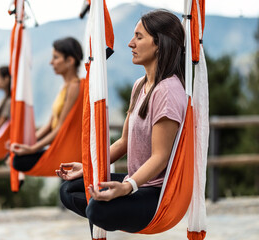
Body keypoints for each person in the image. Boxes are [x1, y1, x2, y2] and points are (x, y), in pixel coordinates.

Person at [56, 9, 187, 234]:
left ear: (158, 44)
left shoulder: (168, 91)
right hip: (135, 181)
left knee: (98, 209)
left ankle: (110, 207)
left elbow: (160, 157)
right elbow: (124, 141)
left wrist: (127, 187)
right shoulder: (140, 85)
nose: (130, 44)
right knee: (70, 189)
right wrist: (89, 167)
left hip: (157, 194)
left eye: (138, 37)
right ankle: (108, 203)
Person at [10, 37, 83, 172]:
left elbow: (60, 128)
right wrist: (27, 143)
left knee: (20, 161)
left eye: (56, 58)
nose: (51, 62)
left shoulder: (75, 86)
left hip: (67, 149)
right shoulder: (65, 86)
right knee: (17, 159)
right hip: (58, 145)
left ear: (70, 61)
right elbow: (50, 124)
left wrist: (32, 148)